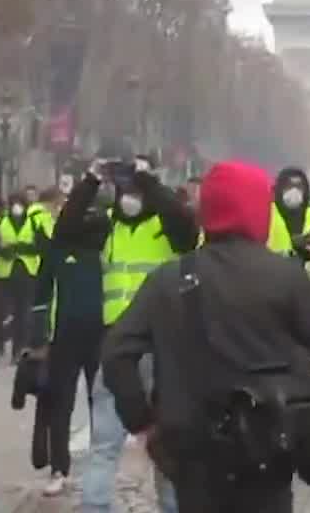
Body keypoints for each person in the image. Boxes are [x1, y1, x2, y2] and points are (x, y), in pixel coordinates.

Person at [101, 160, 310, 513]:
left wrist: (142, 420)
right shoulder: (284, 277)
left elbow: (116, 352)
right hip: (268, 445)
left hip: (192, 451)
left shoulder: (169, 278)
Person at [63, 154, 199, 513]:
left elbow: (187, 227)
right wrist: (90, 181)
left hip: (154, 347)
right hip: (123, 347)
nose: (130, 195)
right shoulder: (108, 226)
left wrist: (150, 181)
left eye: (136, 188)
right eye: (125, 187)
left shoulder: (167, 228)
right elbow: (66, 230)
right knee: (109, 443)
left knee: (162, 441)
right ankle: (96, 506)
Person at [27, 187, 110, 495]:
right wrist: (37, 339)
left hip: (100, 336)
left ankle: (99, 471)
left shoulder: (106, 248)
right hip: (62, 337)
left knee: (100, 404)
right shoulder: (57, 249)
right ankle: (59, 468)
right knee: (60, 403)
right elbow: (40, 295)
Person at [0, 188, 50, 365]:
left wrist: (22, 248)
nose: (16, 207)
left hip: (26, 272)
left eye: (19, 204)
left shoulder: (34, 222)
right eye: (13, 203)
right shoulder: (0, 220)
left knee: (23, 314)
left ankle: (18, 351)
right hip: (2, 273)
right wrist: (1, 250)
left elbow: (43, 246)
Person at [268, 167, 310, 261]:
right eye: (289, 186)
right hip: (273, 270)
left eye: (299, 187)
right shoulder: (267, 213)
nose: (294, 191)